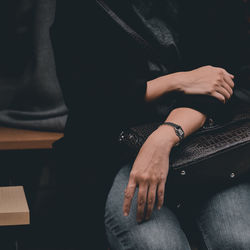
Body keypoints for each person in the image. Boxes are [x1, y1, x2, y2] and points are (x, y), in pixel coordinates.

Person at [50, 0, 250, 249]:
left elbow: (219, 83)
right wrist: (177, 81)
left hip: (207, 143)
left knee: (238, 240)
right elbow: (89, 98)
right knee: (158, 245)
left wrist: (164, 137)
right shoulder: (83, 8)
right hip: (115, 150)